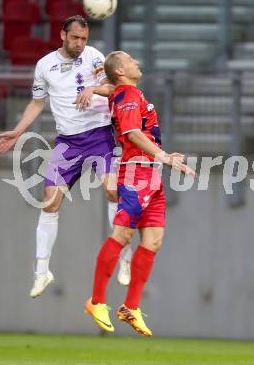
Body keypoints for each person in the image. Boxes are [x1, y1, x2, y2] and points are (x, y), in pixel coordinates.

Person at [0, 15, 133, 298]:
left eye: (84, 38)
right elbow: (36, 102)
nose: (80, 43)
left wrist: (94, 88)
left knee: (111, 191)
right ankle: (42, 272)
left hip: (99, 134)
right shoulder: (45, 65)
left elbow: (114, 88)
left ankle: (124, 255)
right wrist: (19, 131)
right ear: (63, 35)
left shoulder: (94, 56)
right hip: (68, 141)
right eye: (75, 38)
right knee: (49, 201)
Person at [84, 51, 196, 336]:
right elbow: (133, 133)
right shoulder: (129, 95)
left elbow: (112, 90)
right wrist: (164, 156)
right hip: (137, 173)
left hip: (150, 175)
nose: (136, 61)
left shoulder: (125, 92)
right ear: (121, 71)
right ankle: (96, 301)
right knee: (122, 235)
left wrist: (95, 87)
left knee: (154, 240)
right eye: (130, 60)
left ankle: (130, 307)